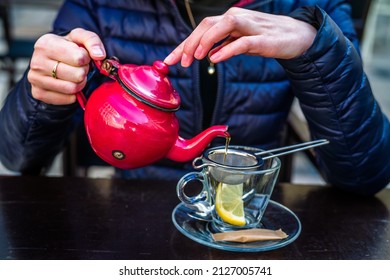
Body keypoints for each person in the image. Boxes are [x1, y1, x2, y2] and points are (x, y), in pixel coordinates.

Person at [0, 0, 389, 195]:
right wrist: (45, 92)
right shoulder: (101, 5)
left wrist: (315, 47)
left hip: (242, 220)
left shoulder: (306, 6)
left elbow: (367, 176)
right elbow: (16, 157)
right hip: (134, 213)